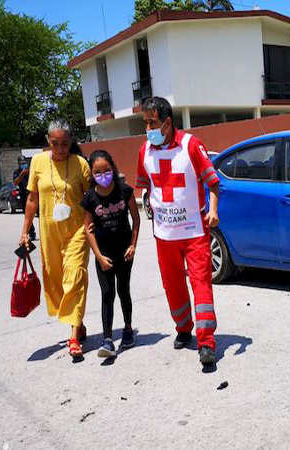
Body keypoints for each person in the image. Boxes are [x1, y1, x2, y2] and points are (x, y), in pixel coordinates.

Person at [134, 96, 221, 368]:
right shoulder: (144, 152)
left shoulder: (191, 145)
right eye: (145, 123)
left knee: (201, 284)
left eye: (153, 122)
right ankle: (183, 328)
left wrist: (213, 210)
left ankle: (206, 341)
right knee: (172, 286)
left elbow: (213, 183)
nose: (148, 128)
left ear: (167, 122)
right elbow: (145, 188)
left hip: (195, 232)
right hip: (164, 235)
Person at [19, 119, 92, 360]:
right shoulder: (38, 162)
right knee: (56, 278)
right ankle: (77, 322)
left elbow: (92, 198)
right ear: (48, 142)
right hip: (49, 231)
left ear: (71, 142)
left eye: (64, 144)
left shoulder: (80, 164)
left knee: (75, 276)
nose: (60, 149)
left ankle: (73, 337)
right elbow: (32, 199)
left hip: (77, 231)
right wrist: (25, 231)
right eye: (55, 144)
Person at [81, 150, 140, 358]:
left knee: (124, 291)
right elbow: (87, 229)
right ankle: (107, 340)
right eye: (97, 172)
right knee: (107, 294)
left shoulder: (125, 191)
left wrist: (133, 245)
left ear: (113, 168)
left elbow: (136, 219)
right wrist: (98, 256)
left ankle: (128, 329)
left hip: (124, 254)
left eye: (107, 170)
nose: (103, 175)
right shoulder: (89, 198)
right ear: (91, 173)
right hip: (103, 256)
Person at [14, 155, 36, 240]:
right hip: (24, 196)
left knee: (40, 214)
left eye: (24, 163)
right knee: (28, 216)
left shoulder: (31, 171)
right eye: (21, 163)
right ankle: (32, 233)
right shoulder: (17, 172)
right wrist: (21, 175)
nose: (23, 165)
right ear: (19, 164)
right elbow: (15, 183)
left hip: (33, 194)